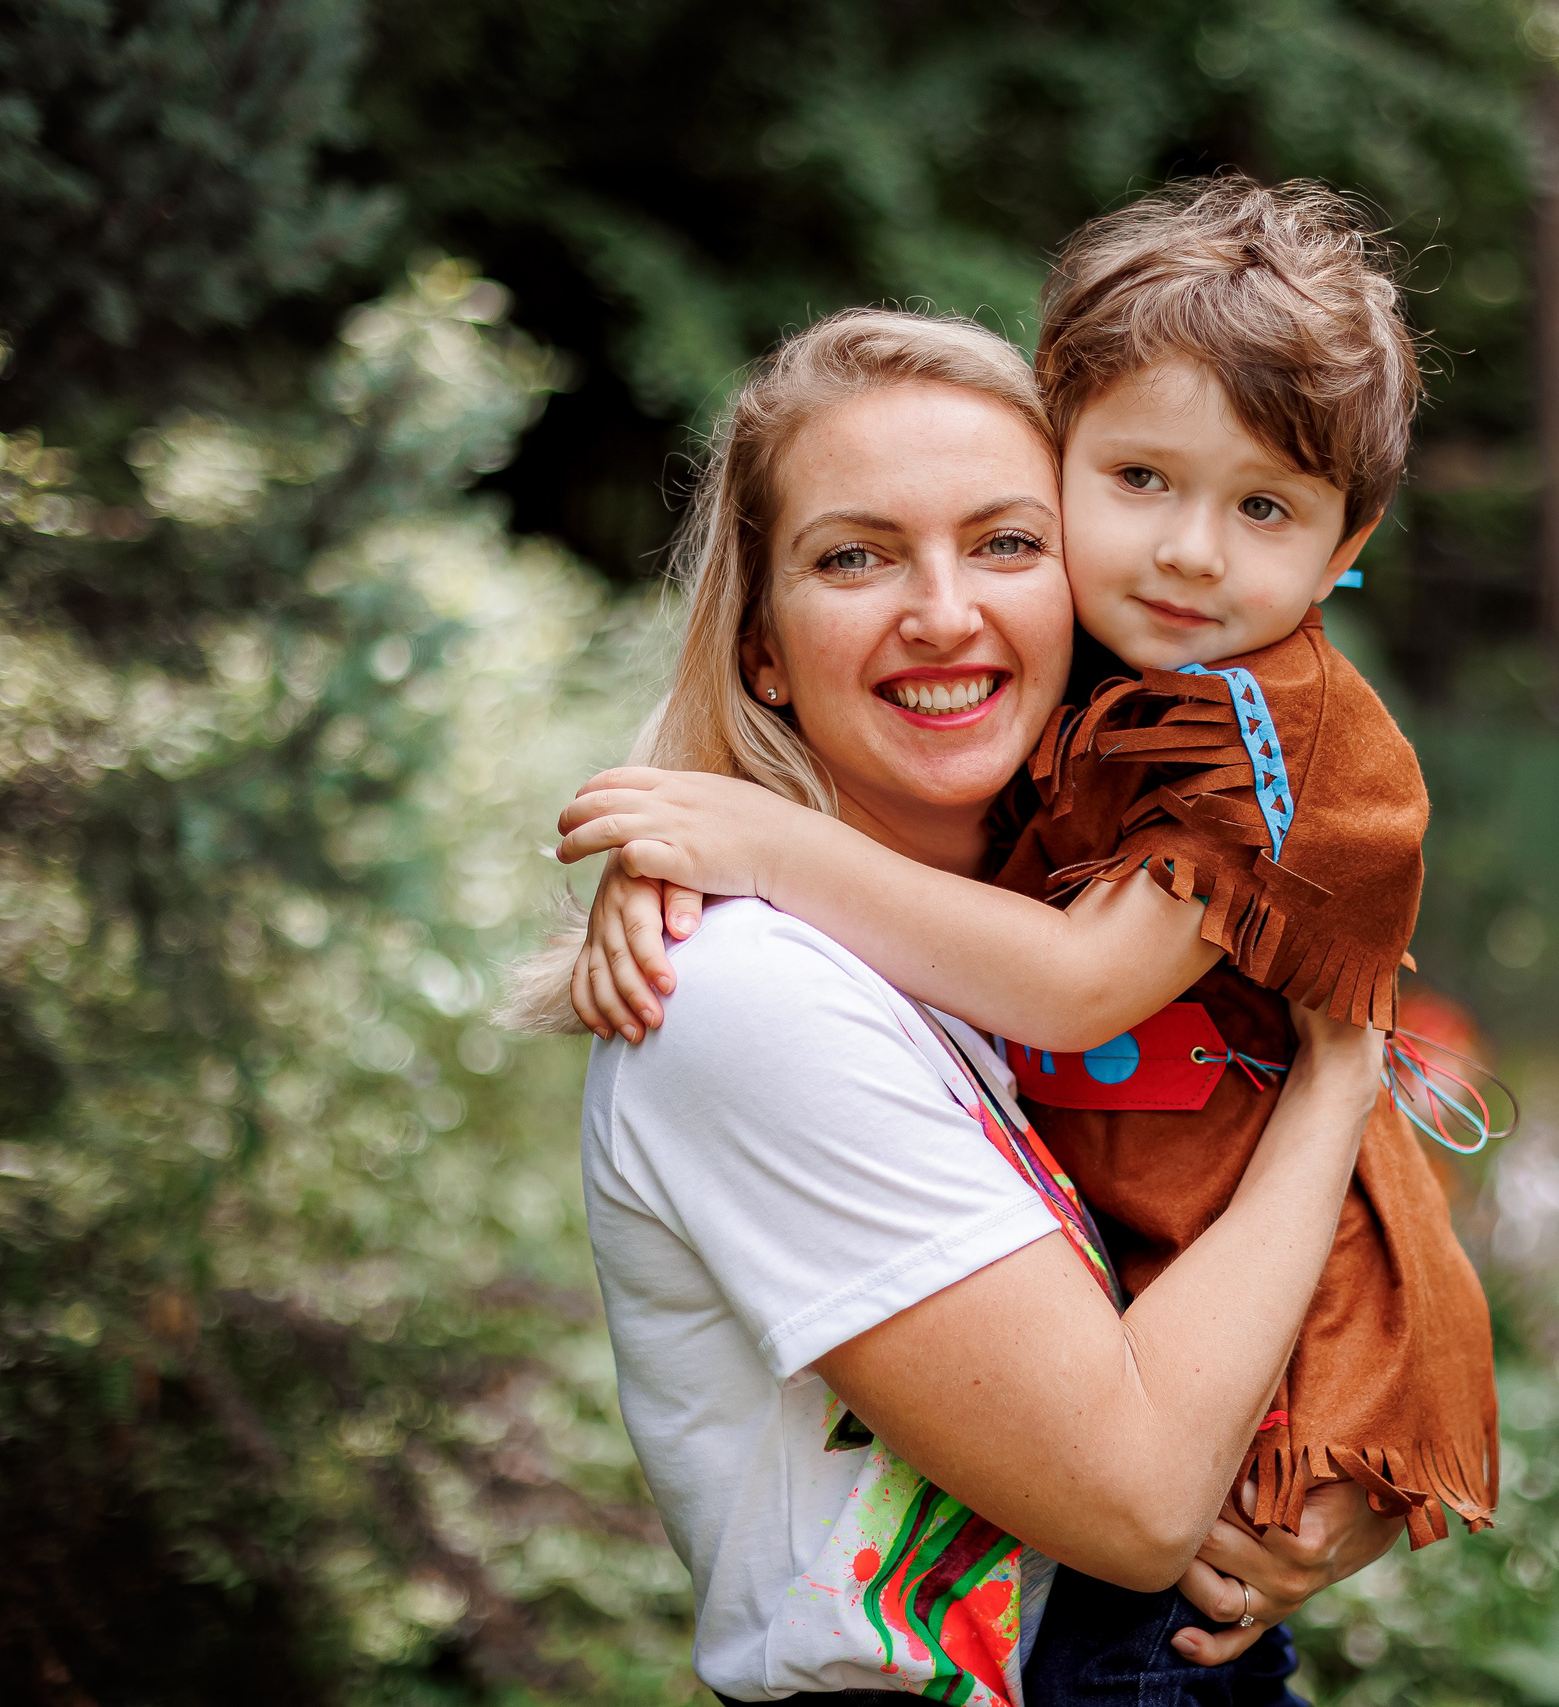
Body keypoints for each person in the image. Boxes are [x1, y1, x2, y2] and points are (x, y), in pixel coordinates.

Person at [557, 178, 1498, 1707]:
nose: (946, 612)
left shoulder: (1093, 842)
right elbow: (1133, 1505)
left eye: (1003, 542)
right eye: (856, 558)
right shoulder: (746, 991)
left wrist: (1327, 1484)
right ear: (763, 651)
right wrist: (1344, 1077)